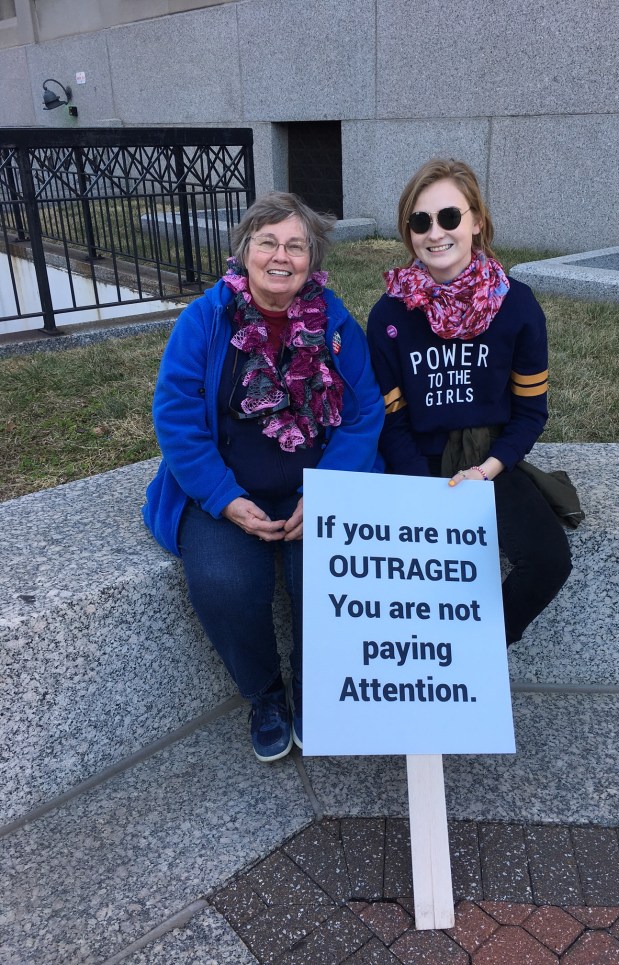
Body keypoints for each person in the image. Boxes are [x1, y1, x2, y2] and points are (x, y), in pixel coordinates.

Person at [143, 192, 383, 761]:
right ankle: (266, 696)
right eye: (268, 241)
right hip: (226, 490)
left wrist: (322, 494)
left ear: (312, 259)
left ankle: (315, 689)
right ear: (245, 249)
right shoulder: (206, 318)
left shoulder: (336, 323)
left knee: (330, 576)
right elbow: (175, 414)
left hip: (314, 487)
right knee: (225, 582)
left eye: (296, 245)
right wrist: (223, 498)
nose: (282, 255)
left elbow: (364, 412)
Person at [367, 159, 571, 646]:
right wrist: (425, 491)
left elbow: (529, 413)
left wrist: (487, 471)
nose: (435, 233)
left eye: (450, 217)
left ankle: (470, 654)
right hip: (414, 462)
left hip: (487, 463)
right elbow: (390, 421)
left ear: (476, 221)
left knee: (548, 562)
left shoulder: (517, 306)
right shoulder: (388, 314)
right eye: (420, 221)